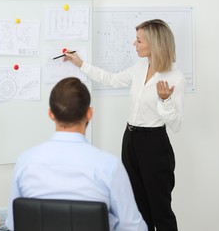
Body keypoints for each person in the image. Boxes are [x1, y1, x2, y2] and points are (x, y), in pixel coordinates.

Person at [64, 19, 185, 231]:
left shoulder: (175, 77)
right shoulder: (140, 67)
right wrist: (80, 64)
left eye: (139, 40)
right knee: (138, 209)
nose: (134, 43)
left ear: (154, 44)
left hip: (154, 145)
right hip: (130, 140)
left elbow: (176, 124)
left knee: (160, 211)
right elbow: (111, 79)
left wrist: (165, 100)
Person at [5, 77, 147, 231]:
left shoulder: (25, 162)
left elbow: (14, 224)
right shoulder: (109, 167)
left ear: (51, 114)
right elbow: (133, 228)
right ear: (89, 113)